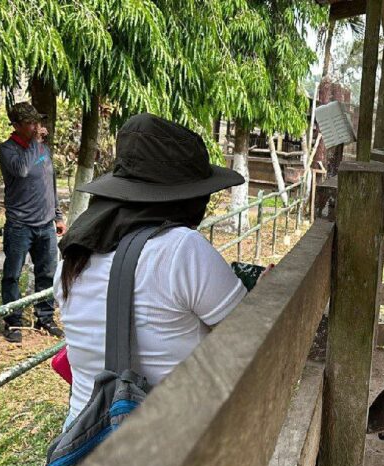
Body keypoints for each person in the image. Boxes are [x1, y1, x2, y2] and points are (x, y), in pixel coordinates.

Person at [54, 113, 247, 426]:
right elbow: (248, 337)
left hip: (83, 443)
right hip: (164, 447)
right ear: (184, 196)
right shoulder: (181, 249)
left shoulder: (73, 256)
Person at [0, 102, 66, 343]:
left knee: (47, 273)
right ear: (16, 126)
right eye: (30, 123)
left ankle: (45, 318)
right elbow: (23, 170)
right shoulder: (8, 150)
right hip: (19, 225)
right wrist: (35, 143)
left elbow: (50, 182)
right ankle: (13, 321)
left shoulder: (43, 149)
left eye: (38, 121)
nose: (37, 126)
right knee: (12, 274)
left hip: (45, 223)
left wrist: (57, 215)